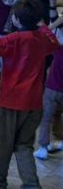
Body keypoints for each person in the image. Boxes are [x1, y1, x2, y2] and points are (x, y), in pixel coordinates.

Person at [0, 0, 59, 189]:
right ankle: (32, 186)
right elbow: (54, 42)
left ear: (16, 19)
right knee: (24, 144)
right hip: (34, 101)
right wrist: (43, 25)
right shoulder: (42, 38)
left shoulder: (14, 38)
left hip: (11, 99)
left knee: (0, 140)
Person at [35, 14, 63, 159]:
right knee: (58, 115)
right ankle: (59, 139)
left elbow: (49, 36)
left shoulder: (58, 47)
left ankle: (43, 147)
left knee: (46, 118)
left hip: (53, 87)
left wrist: (43, 26)